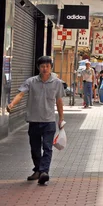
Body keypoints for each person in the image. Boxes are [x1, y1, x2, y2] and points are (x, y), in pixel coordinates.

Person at [6, 56, 65, 185]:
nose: (45, 69)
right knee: (35, 148)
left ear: (51, 67)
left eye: (47, 66)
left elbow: (59, 101)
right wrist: (12, 104)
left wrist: (61, 118)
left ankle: (44, 172)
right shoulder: (31, 81)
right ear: (38, 67)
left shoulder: (57, 83)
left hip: (49, 121)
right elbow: (21, 94)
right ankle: (38, 170)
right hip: (33, 120)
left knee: (47, 147)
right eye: (42, 66)